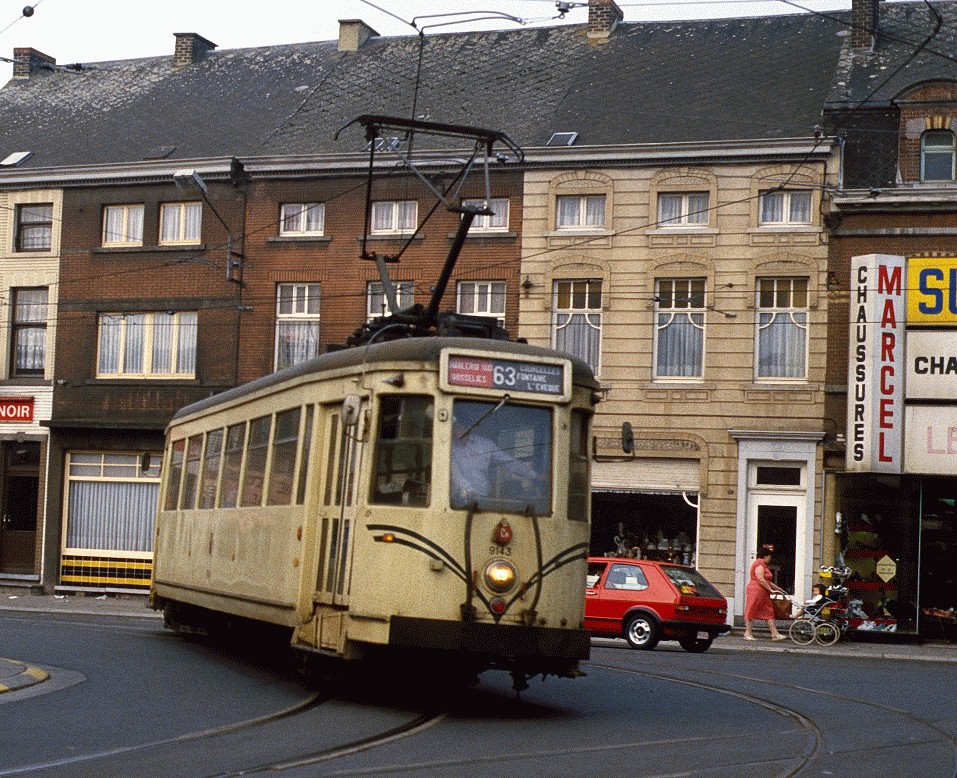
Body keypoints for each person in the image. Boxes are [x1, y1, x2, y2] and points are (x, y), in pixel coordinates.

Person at [743, 544, 786, 641]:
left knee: (768, 611)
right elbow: (761, 579)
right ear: (765, 556)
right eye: (770, 556)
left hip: (763, 592)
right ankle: (747, 633)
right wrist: (770, 589)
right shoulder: (759, 564)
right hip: (756, 591)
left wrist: (778, 588)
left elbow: (767, 581)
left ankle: (775, 634)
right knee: (752, 610)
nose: (770, 559)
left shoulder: (763, 565)